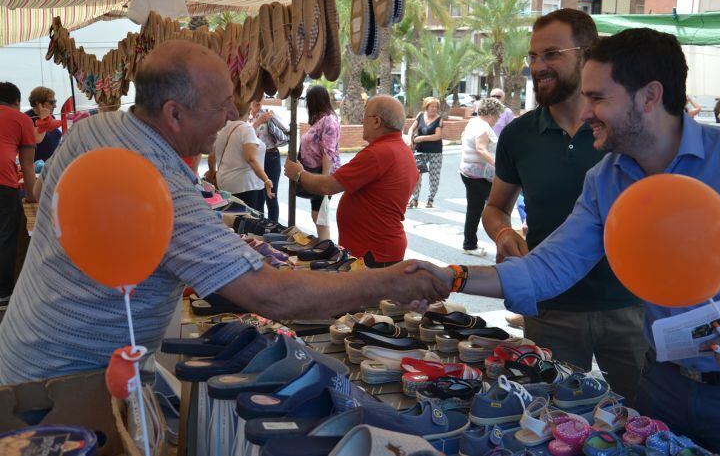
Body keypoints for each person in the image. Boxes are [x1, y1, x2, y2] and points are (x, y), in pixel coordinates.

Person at [0, 41, 449, 385]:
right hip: (71, 379)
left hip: (27, 347)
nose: (232, 114)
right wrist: (386, 281)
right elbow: (269, 296)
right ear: (174, 114)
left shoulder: (98, 127)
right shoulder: (159, 186)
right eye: (221, 106)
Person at [410, 28, 720, 456]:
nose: (584, 115)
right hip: (663, 385)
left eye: (598, 99)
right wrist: (450, 276)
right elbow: (548, 268)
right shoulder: (605, 180)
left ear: (649, 97)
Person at [481, 8, 647, 404]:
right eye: (534, 57)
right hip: (550, 310)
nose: (539, 66)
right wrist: (503, 233)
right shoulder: (519, 134)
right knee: (550, 416)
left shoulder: (622, 130)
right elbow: (494, 208)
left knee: (644, 417)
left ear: (588, 54)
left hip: (629, 309)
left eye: (552, 54)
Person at [284, 95, 418, 268]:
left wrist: (299, 174)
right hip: (378, 248)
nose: (362, 121)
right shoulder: (401, 150)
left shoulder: (378, 153)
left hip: (374, 251)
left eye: (365, 116)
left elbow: (329, 186)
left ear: (376, 121)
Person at [0, 82, 37, 308]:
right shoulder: (21, 119)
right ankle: (3, 292)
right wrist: (32, 196)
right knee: (5, 236)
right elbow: (28, 165)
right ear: (16, 101)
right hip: (4, 181)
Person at [206, 106, 273, 210]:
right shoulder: (246, 129)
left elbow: (211, 157)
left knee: (231, 219)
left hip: (223, 183)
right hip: (246, 186)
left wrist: (211, 173)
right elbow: (251, 159)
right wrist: (266, 180)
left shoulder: (221, 128)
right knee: (247, 221)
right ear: (248, 110)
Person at [459, 97, 501, 258]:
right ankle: (470, 244)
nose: (497, 120)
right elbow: (481, 148)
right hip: (477, 175)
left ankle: (470, 243)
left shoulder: (474, 122)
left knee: (475, 209)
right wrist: (498, 164)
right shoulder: (483, 127)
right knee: (483, 209)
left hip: (469, 172)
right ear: (492, 113)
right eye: (497, 116)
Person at [300, 86, 341, 240]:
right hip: (316, 173)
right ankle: (325, 245)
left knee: (320, 216)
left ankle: (327, 247)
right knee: (317, 215)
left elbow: (328, 152)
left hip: (322, 174)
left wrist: (324, 181)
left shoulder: (329, 121)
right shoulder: (321, 120)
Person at [250, 100, 286, 221]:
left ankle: (273, 228)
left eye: (260, 96)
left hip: (271, 156)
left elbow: (286, 129)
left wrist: (274, 117)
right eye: (255, 97)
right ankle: (259, 228)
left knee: (271, 197)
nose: (258, 100)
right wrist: (258, 121)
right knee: (258, 197)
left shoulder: (268, 113)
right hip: (253, 159)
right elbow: (244, 133)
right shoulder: (245, 117)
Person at [406, 97, 443, 209]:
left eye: (436, 107)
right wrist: (409, 139)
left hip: (435, 152)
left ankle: (430, 199)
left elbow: (438, 136)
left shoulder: (439, 119)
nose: (434, 109)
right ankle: (414, 199)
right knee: (417, 175)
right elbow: (411, 129)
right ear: (426, 107)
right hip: (420, 151)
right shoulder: (420, 116)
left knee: (434, 176)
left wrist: (421, 138)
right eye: (432, 106)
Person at [25, 86, 62, 162]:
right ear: (38, 103)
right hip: (39, 167)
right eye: (52, 102)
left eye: (55, 102)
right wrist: (44, 119)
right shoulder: (27, 118)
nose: (55, 106)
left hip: (54, 163)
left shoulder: (51, 117)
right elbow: (37, 139)